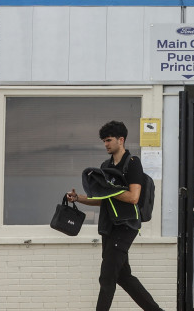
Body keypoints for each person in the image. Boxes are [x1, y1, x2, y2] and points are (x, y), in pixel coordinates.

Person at [66, 120, 163, 311]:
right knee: (123, 277)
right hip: (108, 226)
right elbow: (102, 199)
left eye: (109, 140)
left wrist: (109, 189)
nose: (106, 144)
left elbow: (134, 197)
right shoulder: (105, 165)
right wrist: (79, 198)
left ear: (121, 140)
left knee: (107, 277)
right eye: (103, 141)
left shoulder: (132, 163)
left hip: (126, 226)